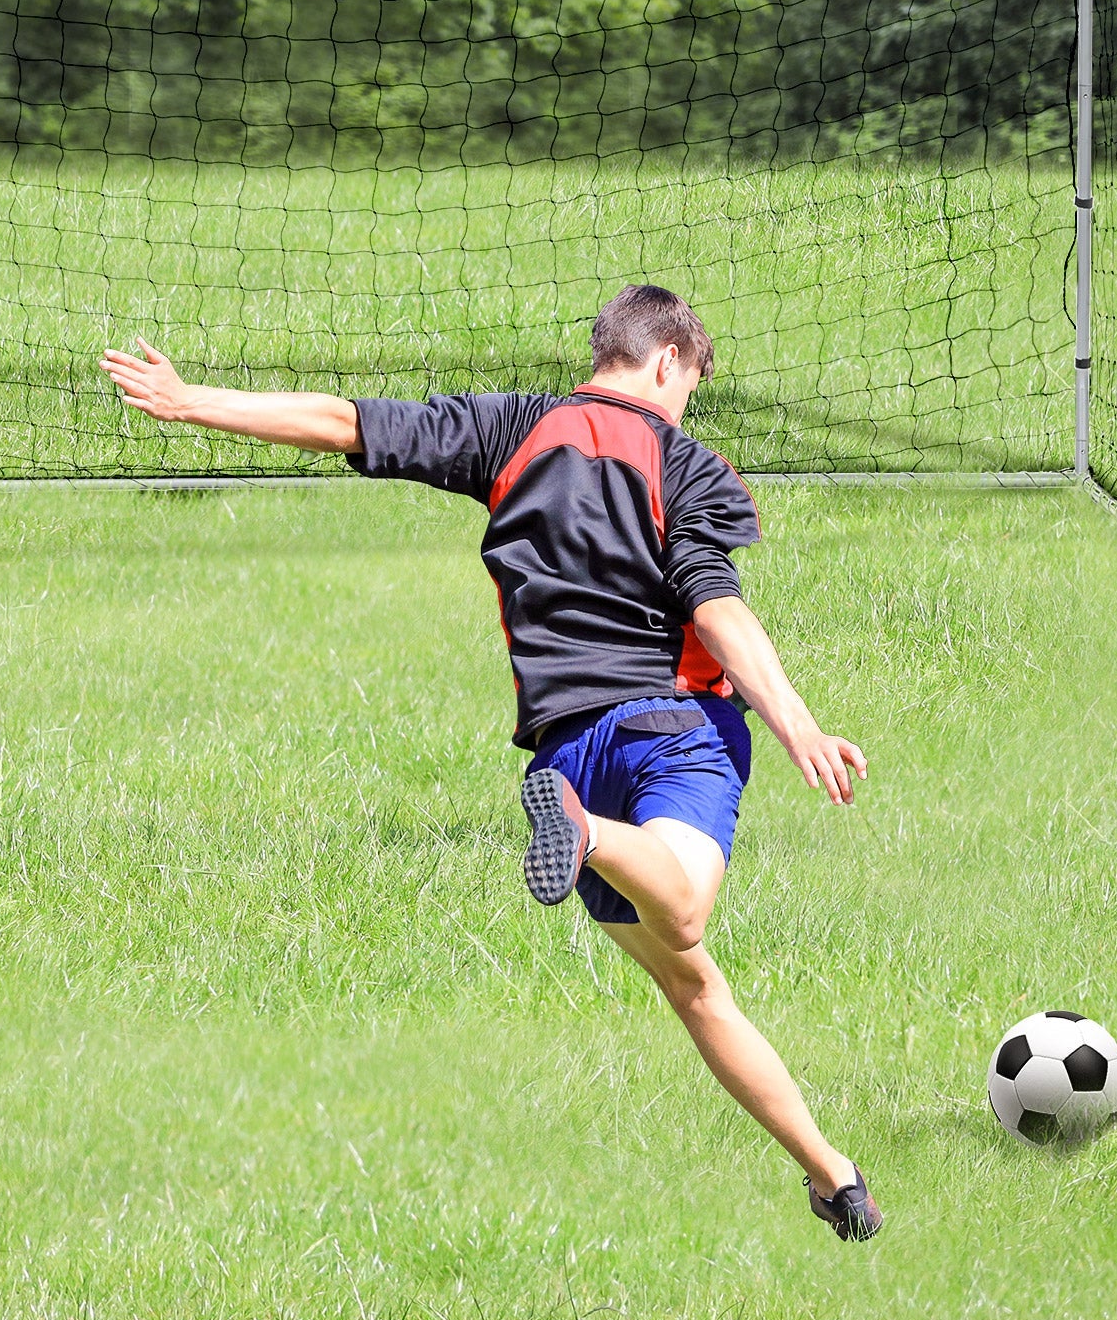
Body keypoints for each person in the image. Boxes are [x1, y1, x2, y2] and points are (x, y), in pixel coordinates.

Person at [100, 284, 880, 1241]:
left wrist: (194, 402)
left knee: (693, 982)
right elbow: (713, 602)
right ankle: (588, 835)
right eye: (692, 384)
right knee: (684, 904)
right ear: (669, 360)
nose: (687, 405)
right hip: (671, 732)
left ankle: (828, 1171)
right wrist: (798, 720)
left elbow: (346, 423)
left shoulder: (511, 428)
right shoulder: (687, 464)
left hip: (568, 748)